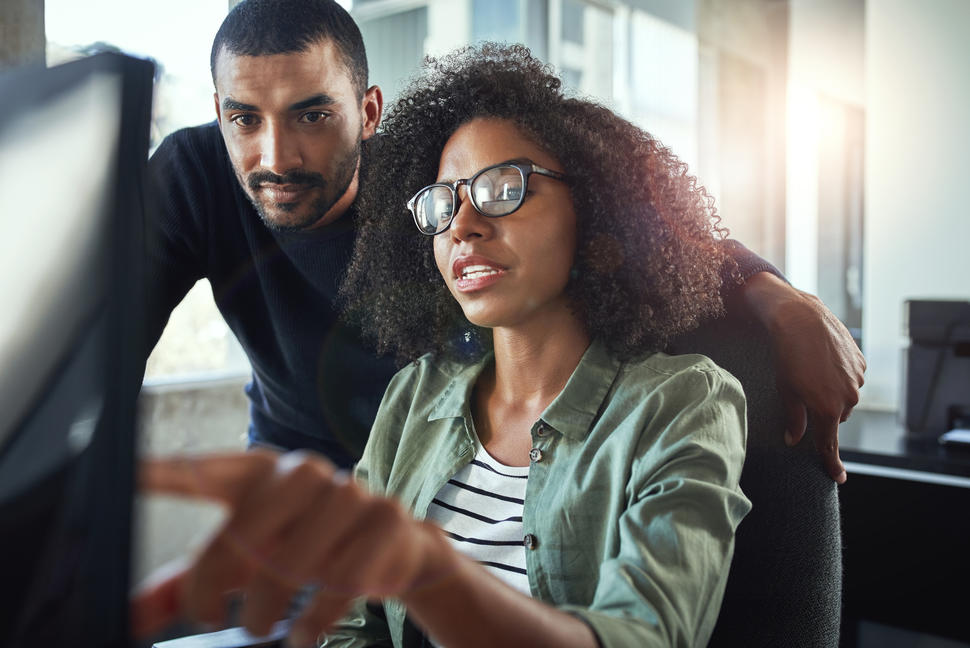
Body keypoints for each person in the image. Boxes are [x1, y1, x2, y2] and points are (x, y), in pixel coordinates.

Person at [134, 43, 754, 647]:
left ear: (594, 205)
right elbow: (351, 628)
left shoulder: (682, 403)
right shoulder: (415, 395)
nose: (463, 225)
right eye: (443, 202)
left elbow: (646, 635)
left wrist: (430, 574)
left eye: (503, 187)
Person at [144, 0, 863, 480]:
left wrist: (777, 297)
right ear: (218, 112)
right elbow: (96, 338)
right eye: (243, 120)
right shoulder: (192, 175)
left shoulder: (434, 185)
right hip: (292, 485)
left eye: (310, 116)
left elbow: (642, 215)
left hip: (438, 482)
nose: (276, 156)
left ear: (367, 112)